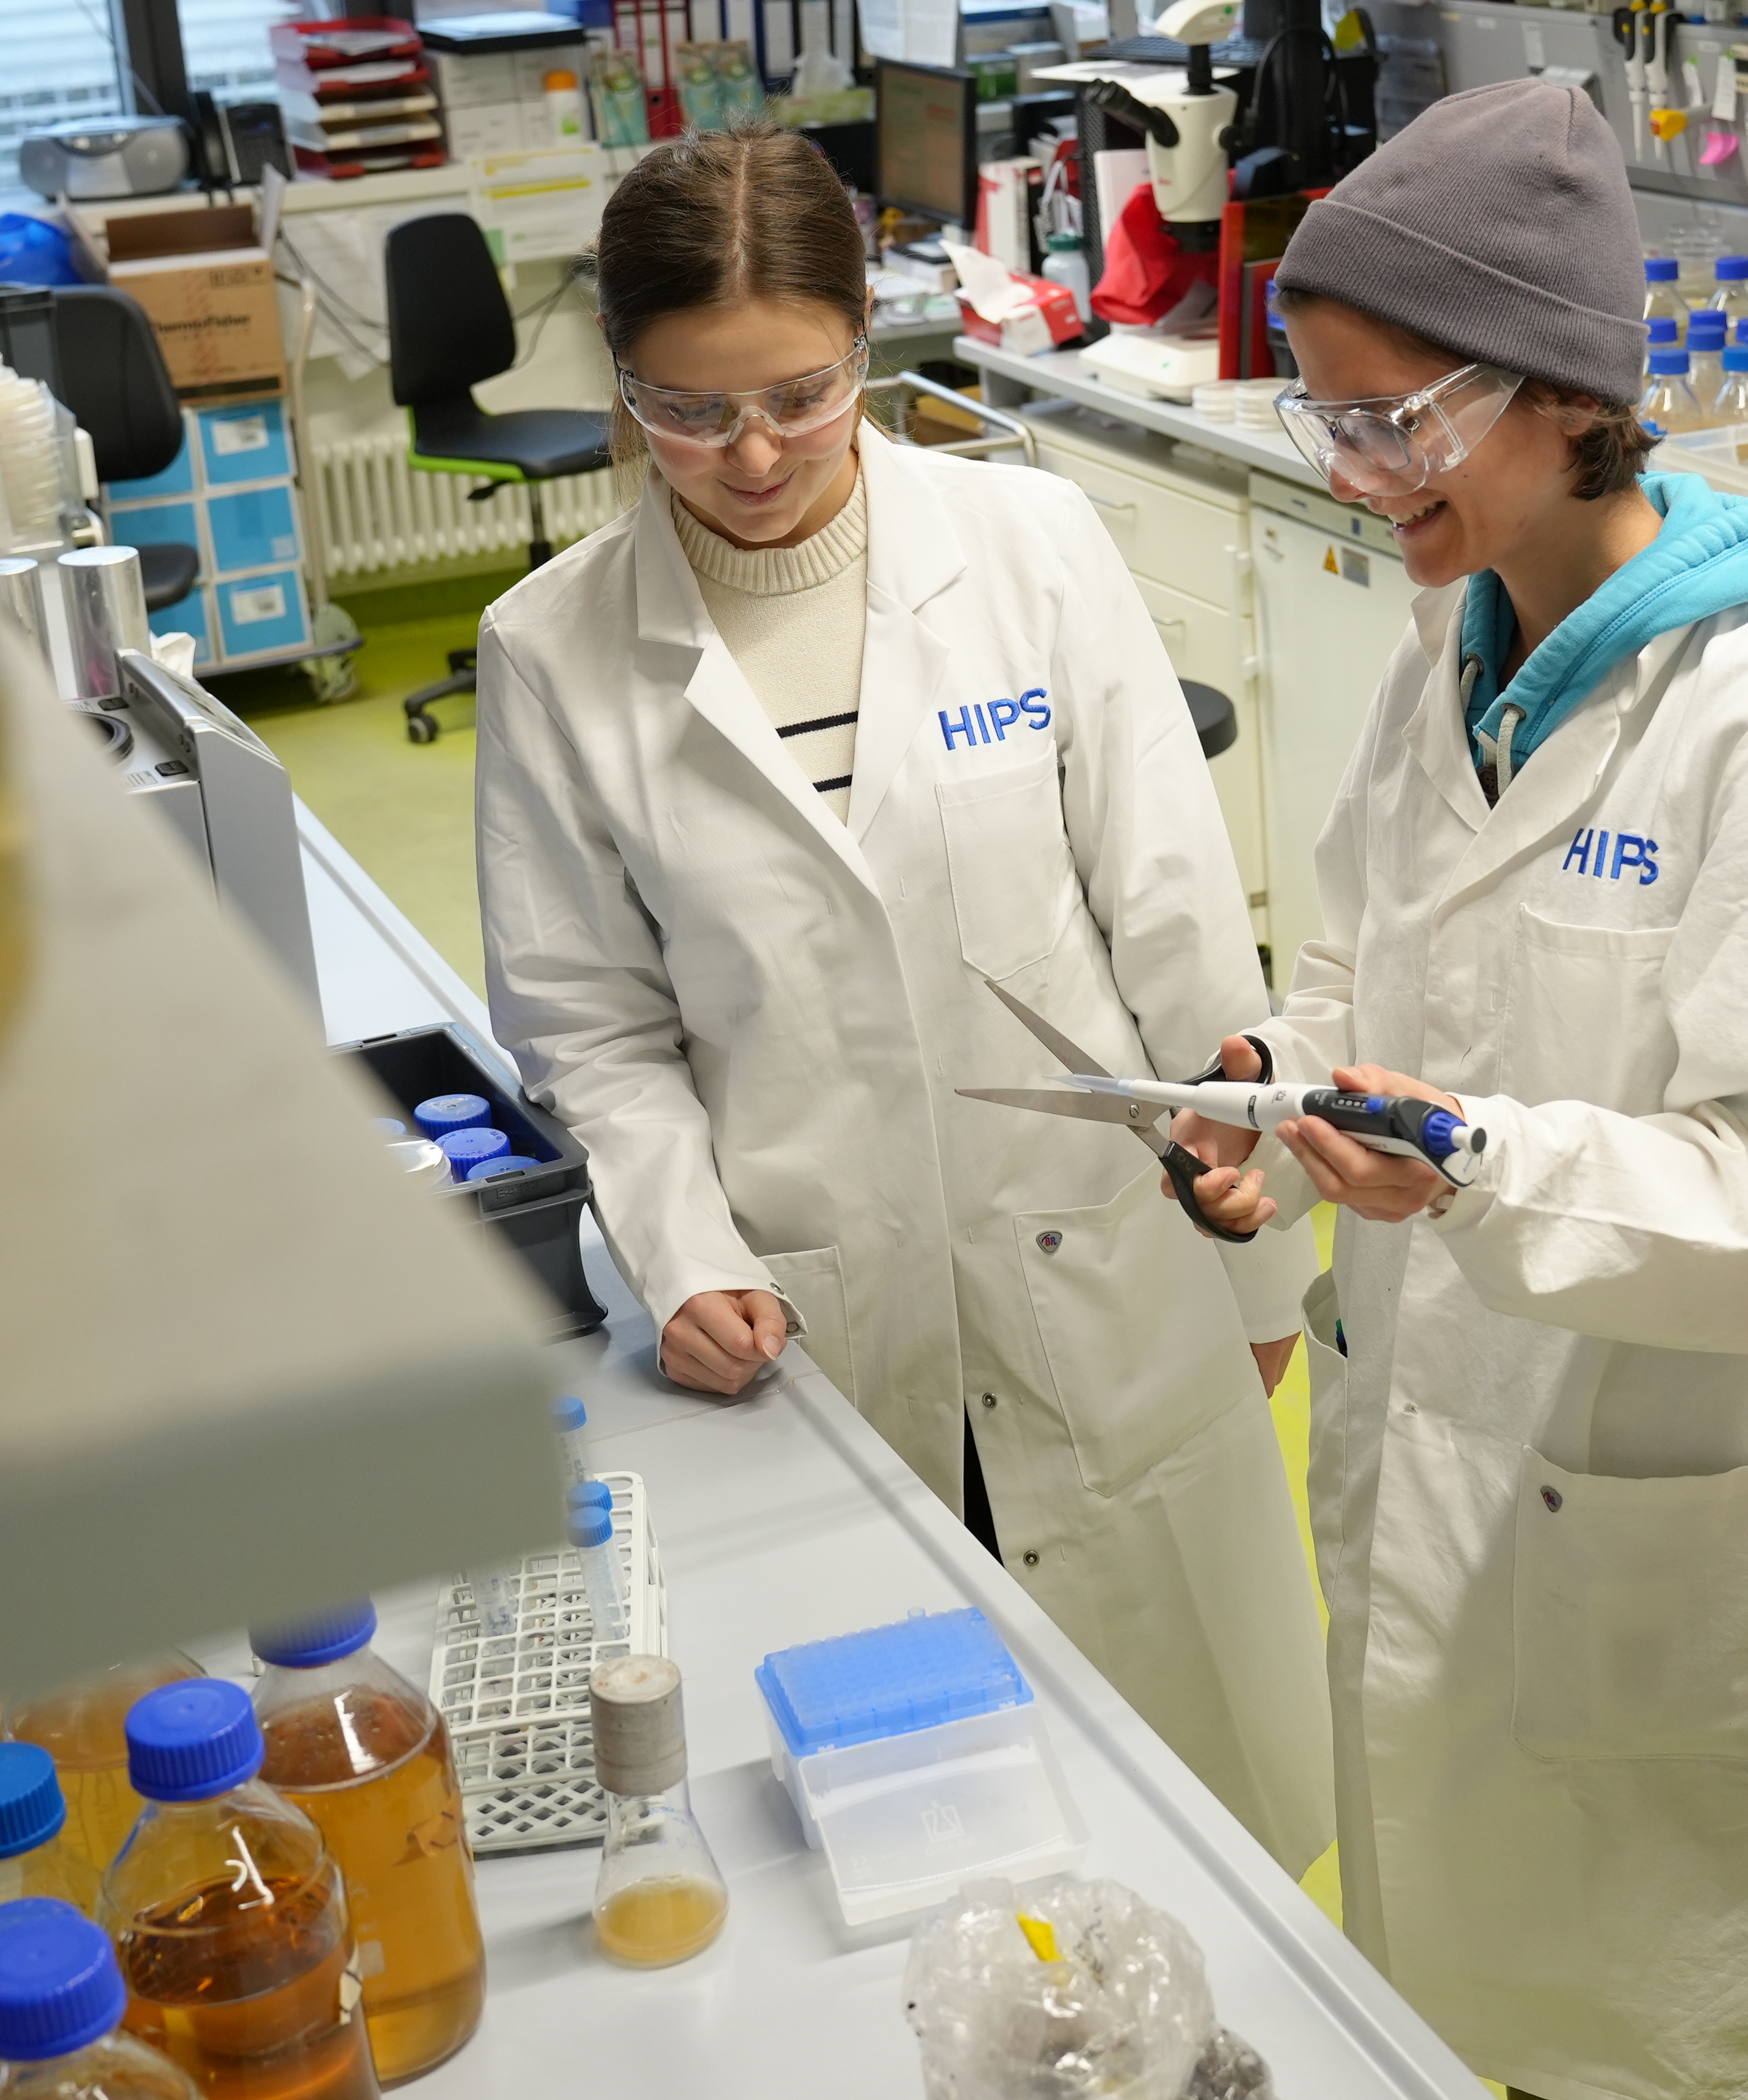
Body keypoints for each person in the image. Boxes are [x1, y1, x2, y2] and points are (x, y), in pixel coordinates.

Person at [1177, 81, 1748, 2100]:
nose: (1359, 474)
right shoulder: (1454, 655)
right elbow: (1366, 954)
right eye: (1327, 418)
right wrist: (1279, 1074)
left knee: (1657, 2030)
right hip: (1428, 1436)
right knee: (1439, 1987)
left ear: (1559, 393)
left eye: (1397, 421)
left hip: (1647, 1505)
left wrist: (1479, 1170)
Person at [471, 128, 1332, 1868]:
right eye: (689, 410)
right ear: (622, 383)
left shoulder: (1030, 546)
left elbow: (1172, 928)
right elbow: (595, 1030)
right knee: (907, 1835)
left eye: (802, 391)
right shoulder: (556, 649)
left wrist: (1261, 1258)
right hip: (813, 1295)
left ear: (869, 337)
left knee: (1189, 1811)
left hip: (1103, 1260)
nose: (759, 453)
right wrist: (685, 1249)